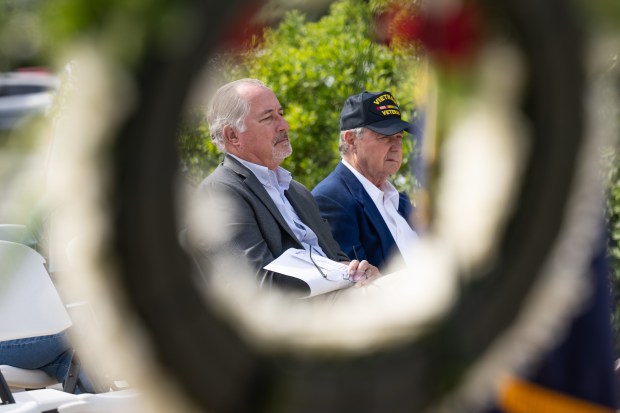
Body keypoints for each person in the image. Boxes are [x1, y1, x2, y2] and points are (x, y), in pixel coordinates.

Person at [190, 78, 379, 297]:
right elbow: (255, 283)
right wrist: (343, 282)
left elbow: (336, 258)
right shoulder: (220, 192)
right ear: (232, 136)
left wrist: (360, 273)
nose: (284, 125)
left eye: (281, 113)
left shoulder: (297, 191)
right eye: (268, 117)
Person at [312, 91, 419, 270]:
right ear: (351, 139)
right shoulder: (331, 200)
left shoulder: (401, 201)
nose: (396, 146)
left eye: (399, 137)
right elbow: (358, 286)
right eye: (384, 137)